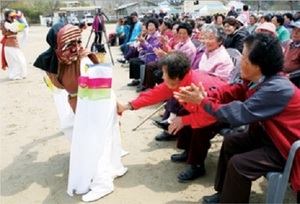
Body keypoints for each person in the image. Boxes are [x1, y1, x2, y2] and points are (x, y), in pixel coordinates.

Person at [174, 33, 300, 203]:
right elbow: (234, 91)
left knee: (239, 164)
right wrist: (208, 95)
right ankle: (224, 193)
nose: (240, 62)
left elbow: (239, 114)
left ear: (258, 65)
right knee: (231, 142)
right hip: (268, 136)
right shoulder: (259, 79)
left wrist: (203, 102)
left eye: (245, 58)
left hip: (285, 146)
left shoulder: (277, 88)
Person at [34, 23, 127, 202]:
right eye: (70, 43)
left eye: (78, 41)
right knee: (71, 128)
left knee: (97, 139)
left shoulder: (84, 59)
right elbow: (57, 85)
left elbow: (100, 90)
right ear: (56, 45)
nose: (76, 47)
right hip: (79, 102)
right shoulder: (49, 60)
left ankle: (103, 183)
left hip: (97, 101)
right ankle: (92, 159)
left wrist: (113, 106)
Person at [117, 51, 229, 181]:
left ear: (175, 76)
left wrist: (185, 120)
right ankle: (188, 151)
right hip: (203, 110)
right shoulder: (180, 80)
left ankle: (197, 165)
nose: (162, 77)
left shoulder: (197, 87)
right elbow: (155, 94)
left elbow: (209, 116)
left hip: (222, 114)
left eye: (164, 73)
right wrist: (128, 106)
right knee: (183, 114)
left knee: (200, 129)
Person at [1, 9, 27, 80]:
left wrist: (20, 20)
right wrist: (18, 20)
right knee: (14, 60)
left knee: (19, 59)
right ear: (7, 16)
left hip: (13, 42)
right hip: (9, 43)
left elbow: (20, 28)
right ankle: (15, 75)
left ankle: (20, 74)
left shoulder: (12, 22)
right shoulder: (6, 23)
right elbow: (14, 28)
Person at [283, 20, 300, 87]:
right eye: (294, 30)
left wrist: (291, 75)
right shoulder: (290, 43)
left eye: (299, 31)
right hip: (285, 78)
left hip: (295, 81)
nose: (295, 33)